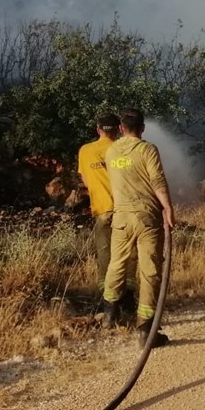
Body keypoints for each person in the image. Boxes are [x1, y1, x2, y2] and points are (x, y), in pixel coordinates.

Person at [100, 108, 175, 347]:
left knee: (117, 263)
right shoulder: (148, 150)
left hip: (121, 218)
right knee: (150, 271)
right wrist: (168, 208)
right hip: (147, 218)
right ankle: (145, 330)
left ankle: (109, 315)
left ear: (121, 128)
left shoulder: (111, 151)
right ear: (142, 128)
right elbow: (157, 181)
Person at [77, 113, 121, 291]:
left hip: (102, 210)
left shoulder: (85, 151)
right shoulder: (121, 148)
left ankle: (106, 294)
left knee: (104, 254)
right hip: (125, 210)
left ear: (98, 130)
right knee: (126, 254)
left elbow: (86, 181)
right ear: (119, 129)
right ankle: (127, 294)